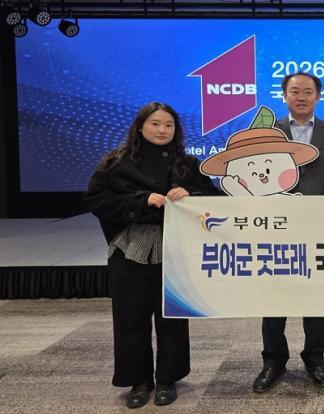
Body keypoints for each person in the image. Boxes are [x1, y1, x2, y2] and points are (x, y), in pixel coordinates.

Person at [84, 102, 220, 408]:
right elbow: (96, 200)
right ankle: (139, 380)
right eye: (155, 124)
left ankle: (168, 379)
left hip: (175, 249)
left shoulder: (187, 163)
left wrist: (190, 196)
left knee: (172, 319)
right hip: (129, 248)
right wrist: (141, 200)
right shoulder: (115, 162)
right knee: (130, 317)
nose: (162, 130)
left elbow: (214, 198)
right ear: (140, 126)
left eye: (169, 125)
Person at [253, 72, 324, 393]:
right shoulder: (268, 132)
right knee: (274, 295)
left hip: (316, 225)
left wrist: (321, 210)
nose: (301, 97)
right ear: (284, 95)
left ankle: (316, 358)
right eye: (295, 91)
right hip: (276, 226)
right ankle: (273, 360)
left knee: (315, 295)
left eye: (308, 92)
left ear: (317, 96)